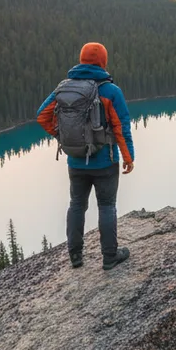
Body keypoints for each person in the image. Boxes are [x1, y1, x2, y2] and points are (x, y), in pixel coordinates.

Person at [37, 42, 135, 270]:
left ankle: (75, 256)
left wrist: (63, 136)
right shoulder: (111, 91)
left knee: (77, 204)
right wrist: (128, 157)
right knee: (107, 206)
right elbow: (121, 127)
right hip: (105, 161)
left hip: (75, 161)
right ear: (103, 61)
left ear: (81, 60)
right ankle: (110, 257)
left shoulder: (64, 88)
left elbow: (42, 115)